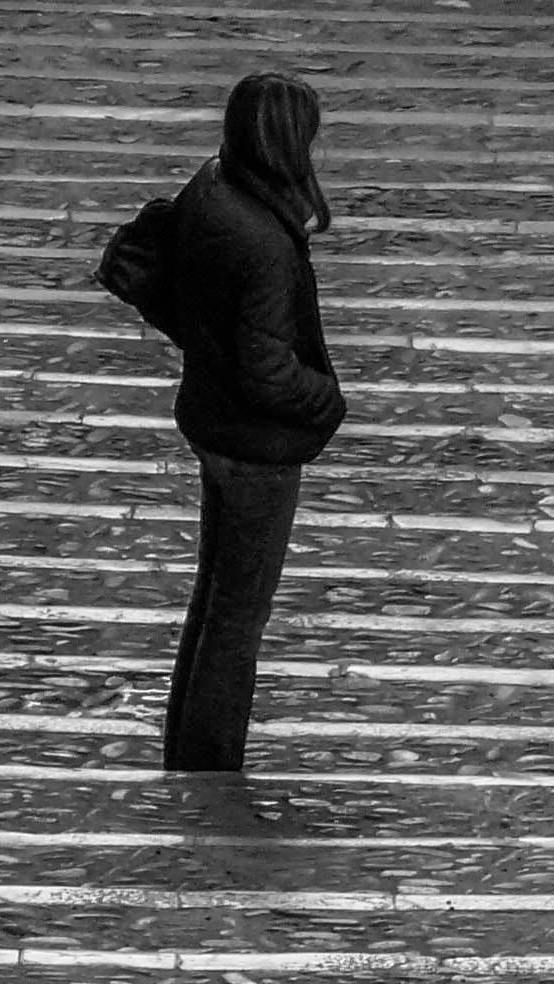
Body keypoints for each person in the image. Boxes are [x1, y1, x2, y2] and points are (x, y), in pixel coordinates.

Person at [161, 71, 344, 774]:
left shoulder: (212, 187)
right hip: (254, 446)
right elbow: (267, 369)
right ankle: (209, 768)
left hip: (213, 422)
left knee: (214, 603)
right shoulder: (263, 241)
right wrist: (326, 400)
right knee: (238, 619)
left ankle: (187, 754)